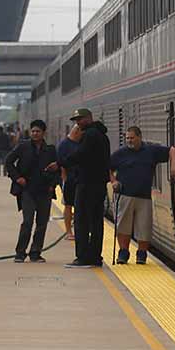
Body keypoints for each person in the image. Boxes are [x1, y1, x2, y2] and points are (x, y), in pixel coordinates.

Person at [109, 126, 175, 265]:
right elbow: (107, 167)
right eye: (127, 138)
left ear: (139, 137)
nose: (129, 141)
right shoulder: (120, 153)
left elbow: (172, 150)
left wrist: (174, 166)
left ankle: (142, 254)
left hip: (144, 196)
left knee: (144, 227)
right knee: (123, 225)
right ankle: (123, 252)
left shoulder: (151, 151)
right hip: (124, 195)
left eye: (132, 138)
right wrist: (114, 181)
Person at [59, 108, 110, 268]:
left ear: (89, 118)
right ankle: (95, 257)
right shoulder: (102, 135)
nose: (78, 123)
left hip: (87, 183)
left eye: (80, 119)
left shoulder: (89, 135)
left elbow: (81, 154)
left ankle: (82, 257)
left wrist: (61, 163)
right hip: (99, 184)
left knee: (81, 221)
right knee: (96, 222)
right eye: (76, 120)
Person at [4, 119, 59, 262]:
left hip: (44, 191)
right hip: (27, 190)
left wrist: (53, 184)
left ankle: (35, 252)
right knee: (27, 222)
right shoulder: (23, 147)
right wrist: (17, 178)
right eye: (33, 131)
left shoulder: (51, 150)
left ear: (43, 133)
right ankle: (20, 252)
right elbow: (8, 162)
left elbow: (57, 170)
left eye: (38, 131)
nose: (35, 134)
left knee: (42, 223)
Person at [56, 123, 83, 241]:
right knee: (68, 205)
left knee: (80, 206)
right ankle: (68, 231)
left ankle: (79, 230)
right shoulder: (64, 145)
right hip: (69, 180)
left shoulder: (81, 143)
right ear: (76, 131)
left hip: (80, 180)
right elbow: (61, 163)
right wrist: (64, 179)